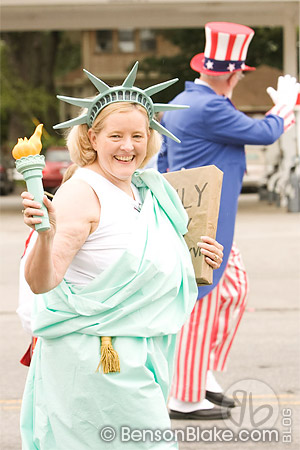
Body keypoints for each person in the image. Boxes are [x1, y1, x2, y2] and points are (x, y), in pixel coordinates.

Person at [19, 62, 224, 449]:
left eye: (137, 135)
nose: (128, 146)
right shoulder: (83, 192)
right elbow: (41, 282)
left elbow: (147, 255)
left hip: (141, 353)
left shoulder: (147, 190)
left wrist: (193, 257)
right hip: (98, 358)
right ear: (93, 137)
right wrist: (44, 237)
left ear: (151, 137)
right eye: (116, 135)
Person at [157, 22, 299, 420]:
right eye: (238, 73)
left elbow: (166, 160)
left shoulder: (187, 101)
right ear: (232, 74)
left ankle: (201, 373)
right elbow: (264, 132)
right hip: (207, 219)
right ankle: (185, 396)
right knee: (205, 301)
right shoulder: (209, 106)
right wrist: (286, 106)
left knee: (233, 288)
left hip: (202, 215)